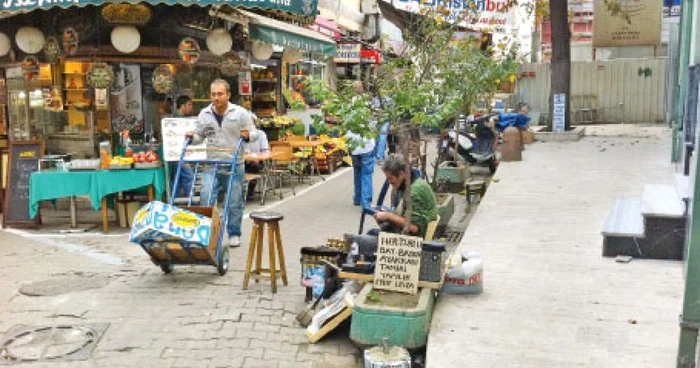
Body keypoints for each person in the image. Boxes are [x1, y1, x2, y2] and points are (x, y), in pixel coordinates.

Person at [185, 79, 258, 248]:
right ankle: (207, 233)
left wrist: (247, 135)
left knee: (234, 201)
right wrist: (191, 138)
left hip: (234, 164)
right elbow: (199, 137)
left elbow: (254, 133)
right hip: (211, 164)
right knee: (206, 197)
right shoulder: (204, 114)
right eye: (213, 94)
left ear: (228, 95)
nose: (216, 98)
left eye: (220, 94)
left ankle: (234, 233)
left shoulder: (239, 113)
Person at [373, 154, 438, 239]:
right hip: (412, 233)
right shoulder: (414, 183)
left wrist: (389, 216)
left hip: (414, 240)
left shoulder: (414, 193)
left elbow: (414, 228)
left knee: (368, 238)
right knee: (375, 230)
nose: (389, 182)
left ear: (402, 174)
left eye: (390, 178)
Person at [345, 81, 376, 208]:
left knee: (357, 171)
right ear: (363, 89)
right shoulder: (368, 105)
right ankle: (366, 201)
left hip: (353, 144)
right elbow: (373, 124)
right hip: (366, 144)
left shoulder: (348, 106)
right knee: (367, 173)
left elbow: (345, 124)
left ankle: (357, 198)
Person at [171, 95, 195, 198]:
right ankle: (191, 203)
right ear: (182, 106)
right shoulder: (178, 119)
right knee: (189, 176)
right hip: (179, 153)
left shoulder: (177, 117)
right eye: (189, 105)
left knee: (178, 178)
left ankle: (175, 202)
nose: (191, 107)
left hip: (178, 154)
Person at [244, 113, 269, 199]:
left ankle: (250, 191)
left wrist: (256, 158)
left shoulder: (260, 134)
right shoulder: (240, 135)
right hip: (243, 161)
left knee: (253, 165)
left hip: (257, 161)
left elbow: (265, 150)